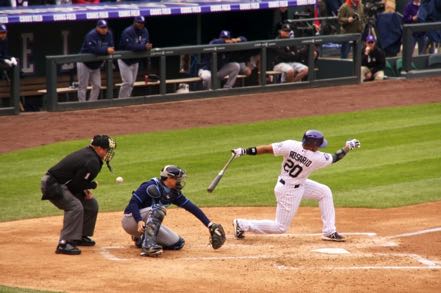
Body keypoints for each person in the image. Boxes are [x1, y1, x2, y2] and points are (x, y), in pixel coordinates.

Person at [231, 130, 361, 242]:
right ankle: (242, 225)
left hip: (296, 183)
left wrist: (243, 151)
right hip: (289, 191)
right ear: (312, 146)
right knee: (280, 227)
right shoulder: (316, 158)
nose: (320, 147)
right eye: (319, 145)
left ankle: (329, 231)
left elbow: (265, 149)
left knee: (324, 192)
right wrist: (348, 146)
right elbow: (336, 156)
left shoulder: (290, 145)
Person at [121, 165, 225, 257]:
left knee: (178, 243)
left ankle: (141, 239)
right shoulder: (150, 186)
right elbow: (133, 203)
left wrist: (209, 224)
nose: (179, 181)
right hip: (131, 220)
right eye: (177, 179)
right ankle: (148, 246)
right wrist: (139, 220)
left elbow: (191, 207)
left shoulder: (174, 193)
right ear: (169, 178)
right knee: (159, 208)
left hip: (144, 225)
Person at [40, 135, 117, 255]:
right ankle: (65, 243)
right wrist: (92, 185)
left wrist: (84, 188)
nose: (109, 153)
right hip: (52, 184)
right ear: (100, 149)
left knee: (90, 204)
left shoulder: (91, 155)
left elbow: (77, 182)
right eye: (108, 150)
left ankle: (79, 236)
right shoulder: (92, 161)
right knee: (75, 207)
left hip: (61, 184)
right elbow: (75, 185)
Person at [77, 19, 114, 102]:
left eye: (105, 27)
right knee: (83, 86)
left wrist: (106, 50)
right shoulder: (91, 35)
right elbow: (94, 50)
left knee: (97, 85)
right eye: (102, 28)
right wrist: (106, 50)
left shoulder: (109, 34)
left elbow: (111, 47)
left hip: (96, 64)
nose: (104, 29)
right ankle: (82, 105)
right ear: (97, 28)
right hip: (84, 63)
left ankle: (91, 103)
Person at [118, 16, 152, 98]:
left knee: (131, 83)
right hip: (125, 60)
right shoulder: (128, 31)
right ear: (134, 22)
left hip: (135, 60)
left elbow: (146, 42)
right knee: (127, 82)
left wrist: (147, 46)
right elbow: (130, 46)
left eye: (142, 23)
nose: (141, 24)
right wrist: (143, 47)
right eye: (139, 22)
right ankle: (121, 101)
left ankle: (126, 99)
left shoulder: (145, 31)